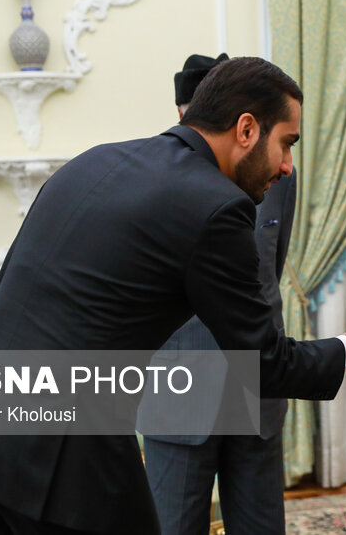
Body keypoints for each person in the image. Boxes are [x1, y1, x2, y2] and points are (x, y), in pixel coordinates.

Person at [0, 56, 346, 534]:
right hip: (58, 459)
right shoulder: (218, 206)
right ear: (247, 129)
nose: (288, 165)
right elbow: (263, 363)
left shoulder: (93, 161)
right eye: (287, 143)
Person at [138, 53, 298, 534]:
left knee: (262, 524)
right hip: (181, 389)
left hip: (259, 387)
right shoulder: (157, 179)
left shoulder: (277, 175)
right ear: (184, 116)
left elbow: (269, 264)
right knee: (173, 524)